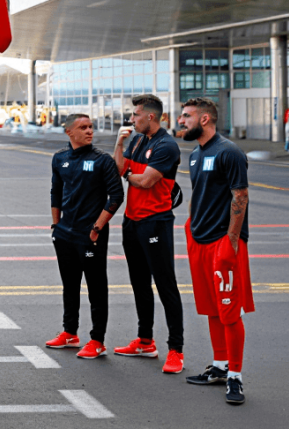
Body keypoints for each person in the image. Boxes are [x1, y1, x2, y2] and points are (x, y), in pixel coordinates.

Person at [179, 97, 253, 405]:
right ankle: (220, 366)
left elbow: (241, 195)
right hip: (199, 240)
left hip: (224, 242)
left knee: (229, 312)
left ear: (205, 119)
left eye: (186, 116)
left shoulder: (229, 152)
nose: (181, 120)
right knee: (210, 308)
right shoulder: (196, 154)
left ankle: (235, 376)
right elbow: (202, 195)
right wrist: (191, 226)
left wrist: (231, 241)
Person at [112, 93, 186, 373]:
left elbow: (143, 181)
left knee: (166, 286)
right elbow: (119, 167)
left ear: (150, 116)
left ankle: (176, 350)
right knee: (139, 283)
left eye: (136, 115)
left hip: (155, 223)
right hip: (131, 221)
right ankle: (145, 341)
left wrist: (126, 176)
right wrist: (119, 143)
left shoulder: (167, 146)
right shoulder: (138, 139)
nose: (132, 119)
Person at [45, 114, 124, 359]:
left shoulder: (102, 160)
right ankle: (70, 332)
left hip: (91, 235)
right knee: (70, 285)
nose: (90, 131)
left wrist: (97, 227)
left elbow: (116, 196)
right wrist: (56, 225)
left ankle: (97, 340)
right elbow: (55, 192)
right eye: (83, 127)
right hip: (65, 234)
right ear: (69, 132)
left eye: (90, 127)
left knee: (96, 288)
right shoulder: (60, 158)